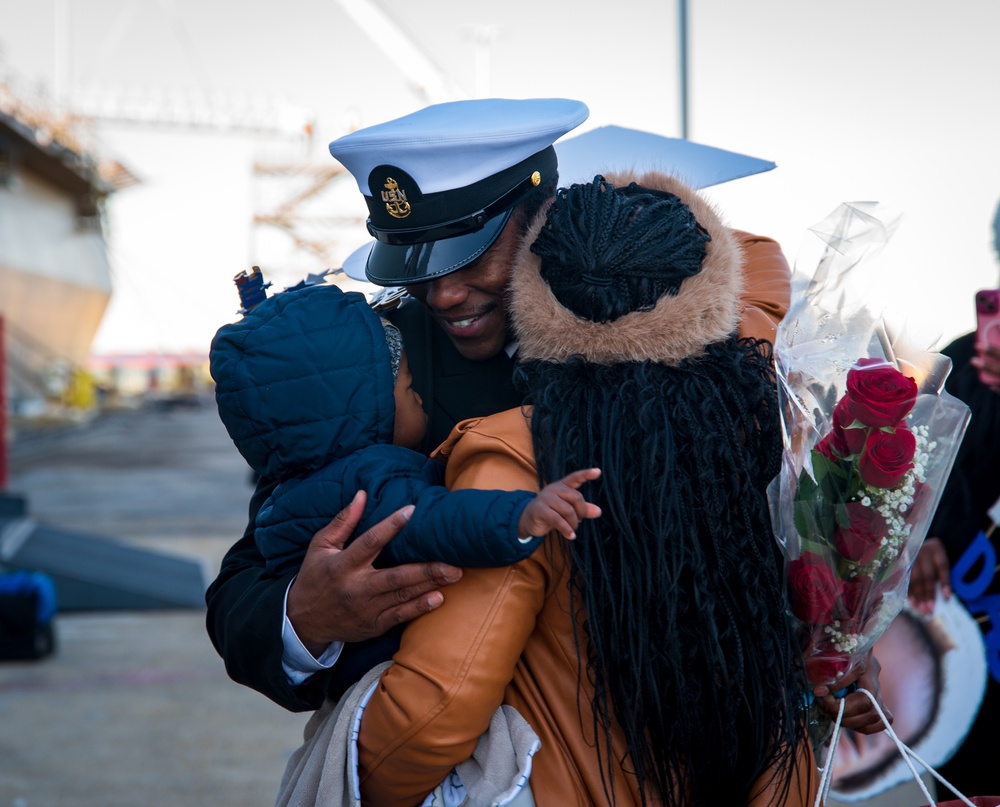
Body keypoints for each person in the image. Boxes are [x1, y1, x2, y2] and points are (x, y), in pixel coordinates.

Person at [204, 97, 887, 736]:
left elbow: (779, 513)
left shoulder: (666, 312)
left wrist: (835, 641)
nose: (442, 293)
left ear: (542, 213)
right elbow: (251, 574)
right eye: (416, 263)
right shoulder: (378, 370)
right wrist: (305, 618)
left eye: (469, 253)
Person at [354, 172, 816, 805]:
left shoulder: (515, 457)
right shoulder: (758, 420)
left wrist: (348, 758)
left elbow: (437, 709)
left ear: (532, 291)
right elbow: (753, 265)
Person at [907, 304, 1000, 796]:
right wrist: (919, 535)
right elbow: (913, 458)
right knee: (974, 780)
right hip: (970, 618)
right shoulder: (961, 360)